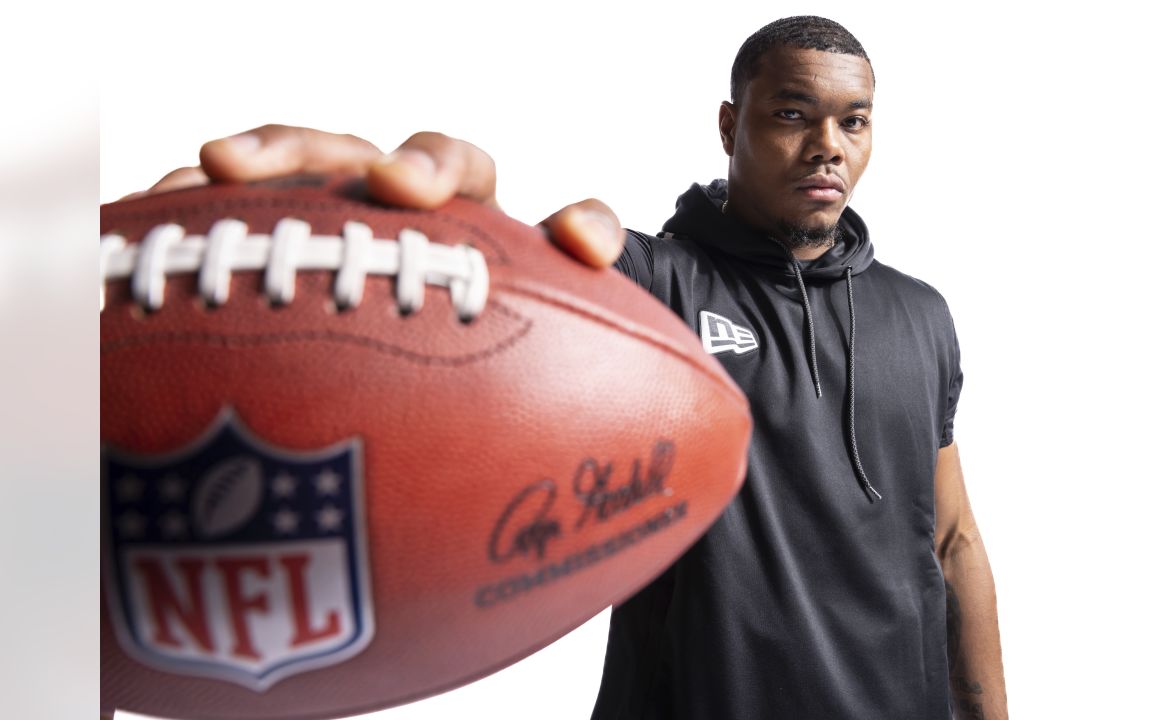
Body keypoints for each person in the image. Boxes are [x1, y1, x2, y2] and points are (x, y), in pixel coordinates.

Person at [135, 15, 1007, 720]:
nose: (829, 144)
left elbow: (954, 540)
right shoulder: (649, 282)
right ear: (730, 124)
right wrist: (427, 232)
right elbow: (520, 286)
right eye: (792, 113)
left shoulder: (919, 313)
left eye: (853, 121)